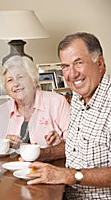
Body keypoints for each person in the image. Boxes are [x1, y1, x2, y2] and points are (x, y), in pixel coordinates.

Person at [27, 32, 111, 199]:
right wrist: (42, 155)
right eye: (65, 66)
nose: (72, 74)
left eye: (78, 63)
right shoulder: (79, 98)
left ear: (100, 64)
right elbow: (79, 147)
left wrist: (69, 175)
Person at [0, 55, 70, 149]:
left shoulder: (57, 102)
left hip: (50, 162)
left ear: (34, 81)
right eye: (10, 80)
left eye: (20, 77)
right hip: (12, 163)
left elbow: (74, 142)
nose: (16, 84)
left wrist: (59, 142)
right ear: (6, 88)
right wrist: (4, 142)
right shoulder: (0, 112)